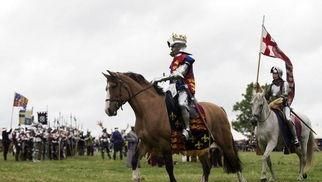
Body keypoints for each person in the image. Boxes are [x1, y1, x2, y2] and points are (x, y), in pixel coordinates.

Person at [154, 33, 196, 139]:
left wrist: (160, 79)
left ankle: (187, 128)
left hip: (184, 87)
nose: (171, 48)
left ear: (178, 46)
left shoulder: (187, 58)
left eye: (172, 46)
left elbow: (179, 74)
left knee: (182, 103)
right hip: (173, 88)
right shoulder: (174, 61)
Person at [265, 66, 299, 146]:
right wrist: (258, 90)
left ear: (279, 74)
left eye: (275, 73)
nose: (274, 75)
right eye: (273, 73)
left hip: (283, 106)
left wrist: (276, 102)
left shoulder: (285, 83)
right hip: (272, 107)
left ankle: (295, 138)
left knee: (287, 119)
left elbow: (285, 95)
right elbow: (266, 96)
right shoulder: (271, 86)